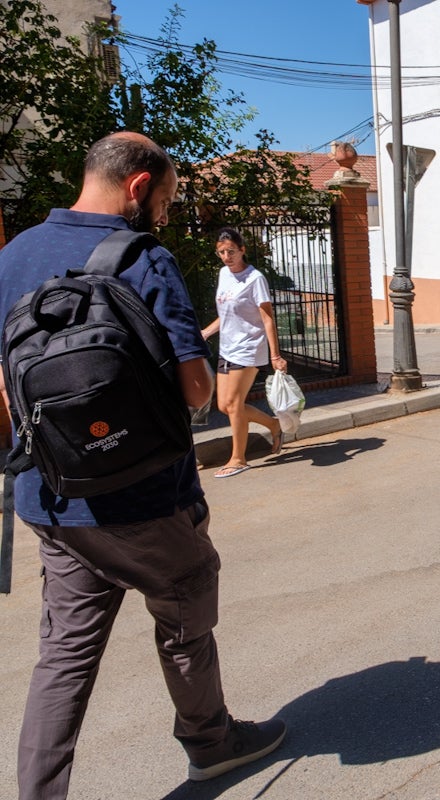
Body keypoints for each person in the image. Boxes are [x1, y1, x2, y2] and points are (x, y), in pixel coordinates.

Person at [0, 132, 286, 798]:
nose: (165, 213)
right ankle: (212, 744)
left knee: (64, 659)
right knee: (185, 604)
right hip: (147, 499)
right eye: (165, 199)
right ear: (137, 185)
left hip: (52, 498)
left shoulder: (12, 256)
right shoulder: (143, 259)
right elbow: (196, 393)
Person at [200, 227, 287, 478]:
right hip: (227, 346)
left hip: (249, 346)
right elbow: (227, 314)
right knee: (224, 405)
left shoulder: (254, 278)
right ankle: (273, 425)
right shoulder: (223, 275)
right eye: (222, 252)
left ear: (242, 250)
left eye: (231, 251)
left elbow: (267, 319)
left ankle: (239, 458)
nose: (227, 256)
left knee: (235, 404)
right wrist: (206, 333)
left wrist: (275, 356)